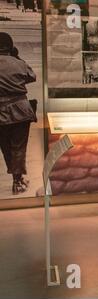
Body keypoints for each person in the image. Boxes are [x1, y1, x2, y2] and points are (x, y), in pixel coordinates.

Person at [0, 32, 37, 195]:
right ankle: (18, 181)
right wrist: (17, 58)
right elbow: (31, 77)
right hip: (20, 110)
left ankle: (16, 178)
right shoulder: (18, 63)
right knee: (19, 146)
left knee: (5, 146)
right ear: (10, 46)